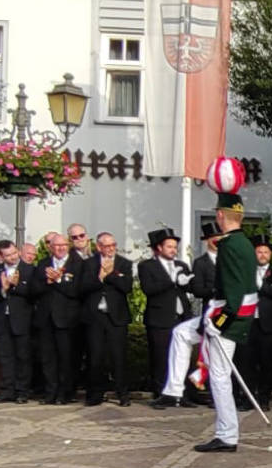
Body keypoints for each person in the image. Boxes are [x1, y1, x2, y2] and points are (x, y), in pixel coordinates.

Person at [193, 189, 260, 452]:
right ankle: (173, 388)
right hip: (235, 315)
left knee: (219, 376)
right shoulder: (244, 243)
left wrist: (218, 323)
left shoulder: (229, 246)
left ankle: (227, 435)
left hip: (228, 318)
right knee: (182, 334)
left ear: (221, 215)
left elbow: (233, 293)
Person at [28, 232, 88, 404]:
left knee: (66, 358)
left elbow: (78, 291)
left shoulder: (78, 264)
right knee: (47, 358)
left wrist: (59, 280)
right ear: (50, 247)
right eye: (57, 245)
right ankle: (50, 392)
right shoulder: (43, 264)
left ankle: (65, 392)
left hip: (67, 319)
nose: (60, 248)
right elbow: (33, 289)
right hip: (46, 319)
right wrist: (47, 282)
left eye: (63, 245)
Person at [136, 229, 193, 402]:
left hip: (181, 317)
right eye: (169, 247)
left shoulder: (181, 265)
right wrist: (170, 280)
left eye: (175, 247)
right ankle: (161, 393)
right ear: (159, 248)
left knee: (182, 356)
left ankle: (183, 394)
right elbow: (149, 289)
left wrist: (186, 283)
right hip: (159, 318)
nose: (173, 250)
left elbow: (188, 288)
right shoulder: (146, 266)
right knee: (161, 357)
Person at [81, 232, 134, 406]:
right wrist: (100, 278)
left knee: (118, 357)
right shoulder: (88, 264)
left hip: (116, 317)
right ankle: (95, 394)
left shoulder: (124, 263)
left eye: (113, 245)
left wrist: (110, 274)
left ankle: (122, 394)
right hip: (95, 317)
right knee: (95, 357)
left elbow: (127, 287)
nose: (111, 249)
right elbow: (83, 287)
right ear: (99, 247)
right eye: (107, 246)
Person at [0, 241, 35, 403]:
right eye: (8, 255)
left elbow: (34, 293)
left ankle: (22, 391)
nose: (12, 257)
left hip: (22, 319)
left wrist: (15, 286)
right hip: (2, 319)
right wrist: (3, 289)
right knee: (5, 356)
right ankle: (7, 390)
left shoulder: (29, 269)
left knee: (23, 356)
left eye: (14, 253)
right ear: (0, 256)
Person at [247, 239, 272, 410]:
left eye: (266, 252)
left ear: (270, 255)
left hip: (268, 325)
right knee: (248, 363)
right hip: (249, 323)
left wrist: (262, 286)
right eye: (259, 252)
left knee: (266, 363)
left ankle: (264, 399)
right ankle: (248, 397)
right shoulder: (247, 270)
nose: (262, 255)